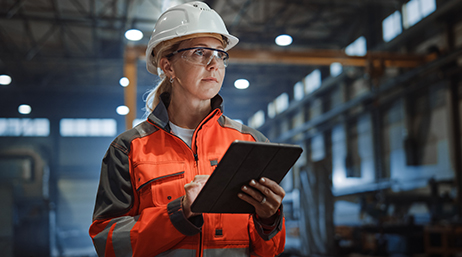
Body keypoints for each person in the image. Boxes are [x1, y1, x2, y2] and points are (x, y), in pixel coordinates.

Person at [89, 1, 286, 256]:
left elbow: (269, 251)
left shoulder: (252, 143)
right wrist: (179, 212)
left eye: (220, 54)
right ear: (168, 66)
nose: (214, 64)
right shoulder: (128, 149)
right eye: (200, 53)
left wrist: (269, 219)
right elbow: (109, 244)